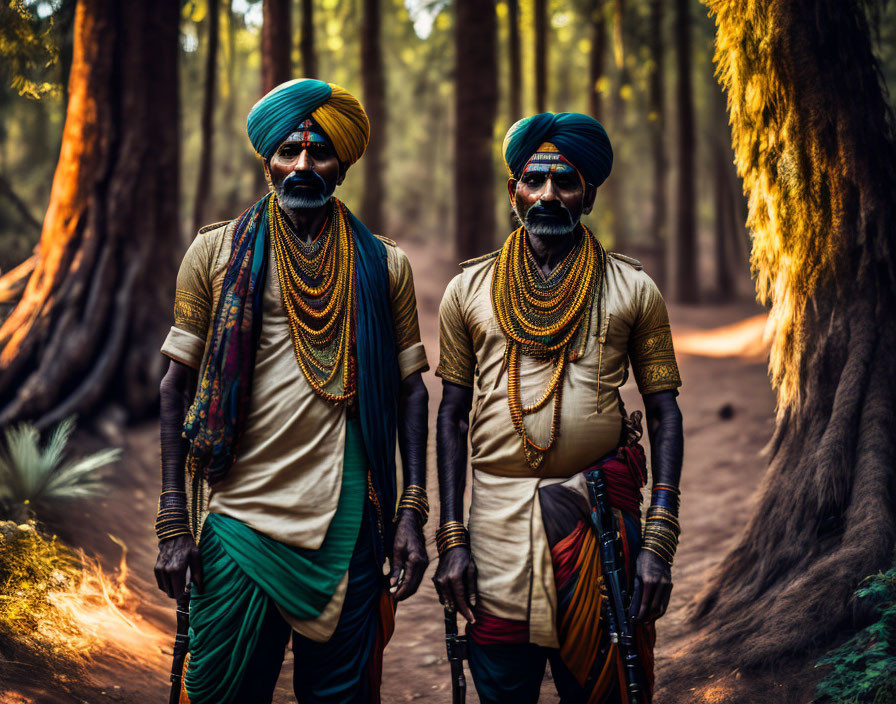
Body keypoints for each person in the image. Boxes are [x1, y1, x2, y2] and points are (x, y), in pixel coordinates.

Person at [153, 79, 431, 704]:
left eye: (319, 152)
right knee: (221, 692)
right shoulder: (214, 252)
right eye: (288, 151)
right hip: (237, 514)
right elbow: (176, 382)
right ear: (267, 159)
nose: (303, 164)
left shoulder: (385, 265)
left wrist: (412, 510)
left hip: (348, 522)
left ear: (342, 163)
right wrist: (173, 520)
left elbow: (414, 392)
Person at [433, 112, 684, 703]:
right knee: (500, 687)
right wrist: (452, 538)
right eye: (535, 180)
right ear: (513, 190)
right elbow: (450, 415)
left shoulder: (633, 290)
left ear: (588, 194)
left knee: (601, 689)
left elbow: (665, 412)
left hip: (597, 531)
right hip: (494, 532)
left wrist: (657, 540)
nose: (549, 194)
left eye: (565, 182)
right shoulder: (466, 291)